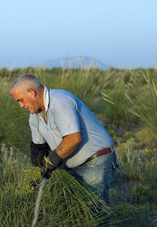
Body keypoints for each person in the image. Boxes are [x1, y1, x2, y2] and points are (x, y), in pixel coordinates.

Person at [10, 74, 117, 206]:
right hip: (73, 167)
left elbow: (74, 138)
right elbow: (39, 147)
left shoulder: (60, 101)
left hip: (95, 161)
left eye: (20, 100)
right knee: (77, 213)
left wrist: (53, 160)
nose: (21, 106)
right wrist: (38, 174)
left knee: (95, 213)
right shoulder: (34, 115)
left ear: (32, 93)